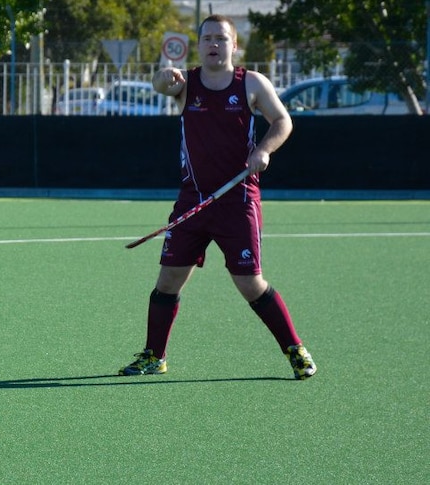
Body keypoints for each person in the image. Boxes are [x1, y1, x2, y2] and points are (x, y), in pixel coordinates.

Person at [118, 14, 316, 380]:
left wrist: (264, 150)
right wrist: (162, 77)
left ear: (233, 45)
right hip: (193, 201)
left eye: (221, 39)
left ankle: (295, 350)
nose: (213, 44)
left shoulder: (251, 84)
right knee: (168, 281)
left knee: (250, 283)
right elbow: (161, 84)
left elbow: (283, 120)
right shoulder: (185, 84)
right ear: (199, 45)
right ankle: (154, 356)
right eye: (207, 38)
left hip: (237, 200)